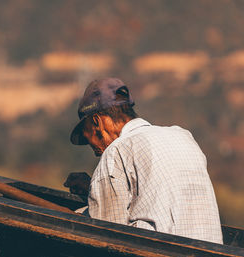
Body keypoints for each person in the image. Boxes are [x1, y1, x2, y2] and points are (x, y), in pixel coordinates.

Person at [67, 78, 223, 244]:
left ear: (97, 122)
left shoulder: (117, 150)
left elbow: (106, 231)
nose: (95, 150)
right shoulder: (183, 136)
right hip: (211, 250)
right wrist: (93, 188)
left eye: (87, 135)